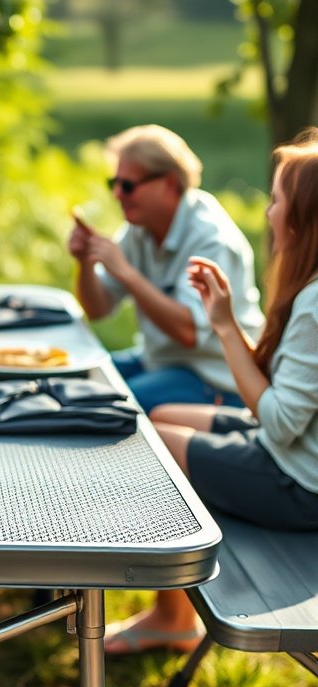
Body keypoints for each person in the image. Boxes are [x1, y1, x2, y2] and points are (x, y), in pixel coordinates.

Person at [105, 136, 318, 655]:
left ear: (300, 218)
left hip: (299, 481)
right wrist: (225, 321)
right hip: (292, 449)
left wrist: (223, 331)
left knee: (153, 445)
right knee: (162, 414)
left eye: (275, 200)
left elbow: (278, 420)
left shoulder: (314, 304)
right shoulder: (308, 290)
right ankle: (167, 609)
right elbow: (279, 395)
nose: (268, 212)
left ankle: (172, 618)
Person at [69, 124, 264, 412]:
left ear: (170, 183)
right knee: (73, 379)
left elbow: (189, 332)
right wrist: (84, 261)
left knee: (108, 407)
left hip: (214, 377)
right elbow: (97, 309)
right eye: (114, 183)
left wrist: (125, 272)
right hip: (157, 362)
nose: (117, 195)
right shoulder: (139, 230)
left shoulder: (211, 240)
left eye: (128, 185)